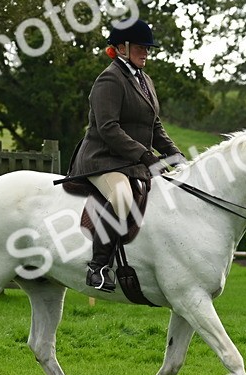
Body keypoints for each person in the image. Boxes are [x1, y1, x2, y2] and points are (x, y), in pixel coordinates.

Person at [68, 19, 185, 291]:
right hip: (103, 159)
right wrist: (146, 156)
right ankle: (98, 267)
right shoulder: (109, 79)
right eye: (141, 47)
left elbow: (154, 125)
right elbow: (109, 128)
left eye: (147, 47)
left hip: (130, 163)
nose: (146, 52)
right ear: (121, 47)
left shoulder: (146, 80)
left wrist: (174, 155)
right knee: (122, 197)